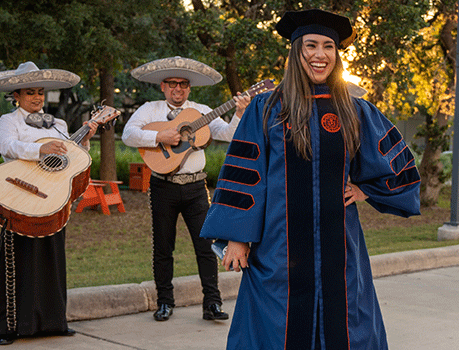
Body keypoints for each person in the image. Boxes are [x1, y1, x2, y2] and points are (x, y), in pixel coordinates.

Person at [199, 9, 422, 349]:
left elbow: (398, 165)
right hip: (278, 247)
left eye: (329, 47)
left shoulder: (354, 109)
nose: (320, 55)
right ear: (296, 51)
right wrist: (237, 237)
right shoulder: (266, 108)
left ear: (337, 54)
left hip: (340, 247)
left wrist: (366, 189)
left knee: (345, 322)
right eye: (311, 45)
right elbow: (245, 176)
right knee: (276, 326)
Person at [122, 56, 250, 322]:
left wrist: (238, 113)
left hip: (195, 187)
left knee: (206, 247)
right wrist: (159, 136)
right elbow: (128, 134)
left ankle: (212, 304)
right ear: (163, 86)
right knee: (163, 247)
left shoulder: (201, 110)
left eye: (183, 84)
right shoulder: (150, 109)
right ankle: (165, 303)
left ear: (189, 88)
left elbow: (227, 134)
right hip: (162, 186)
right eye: (172, 84)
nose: (177, 89)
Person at [0, 62, 98, 346]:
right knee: (15, 258)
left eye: (40, 92)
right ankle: (10, 326)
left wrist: (86, 143)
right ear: (16, 95)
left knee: (52, 258)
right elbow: (5, 145)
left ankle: (54, 322)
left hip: (52, 197)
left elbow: (70, 160)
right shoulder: (9, 121)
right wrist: (38, 149)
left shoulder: (59, 125)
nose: (36, 98)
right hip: (18, 195)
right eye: (30, 92)